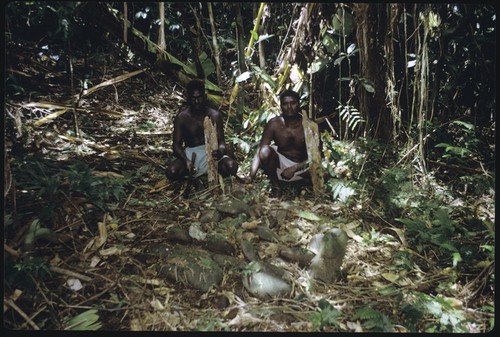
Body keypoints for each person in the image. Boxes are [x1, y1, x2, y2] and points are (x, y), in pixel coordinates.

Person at [166, 79, 238, 182]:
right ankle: (192, 173)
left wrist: (220, 152)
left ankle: (213, 171)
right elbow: (176, 146)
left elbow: (221, 142)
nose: (196, 102)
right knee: (172, 172)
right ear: (188, 98)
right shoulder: (182, 118)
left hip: (212, 153)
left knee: (231, 167)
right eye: (193, 98)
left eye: (199, 98)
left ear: (204, 97)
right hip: (191, 154)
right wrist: (186, 160)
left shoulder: (215, 116)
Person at [247, 89, 313, 197]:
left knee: (324, 172)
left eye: (293, 103)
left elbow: (316, 156)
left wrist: (295, 168)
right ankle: (276, 188)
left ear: (299, 104)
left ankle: (301, 183)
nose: (289, 107)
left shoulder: (309, 125)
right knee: (264, 151)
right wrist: (251, 176)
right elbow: (260, 150)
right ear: (281, 106)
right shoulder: (274, 124)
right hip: (281, 167)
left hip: (303, 166)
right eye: (285, 104)